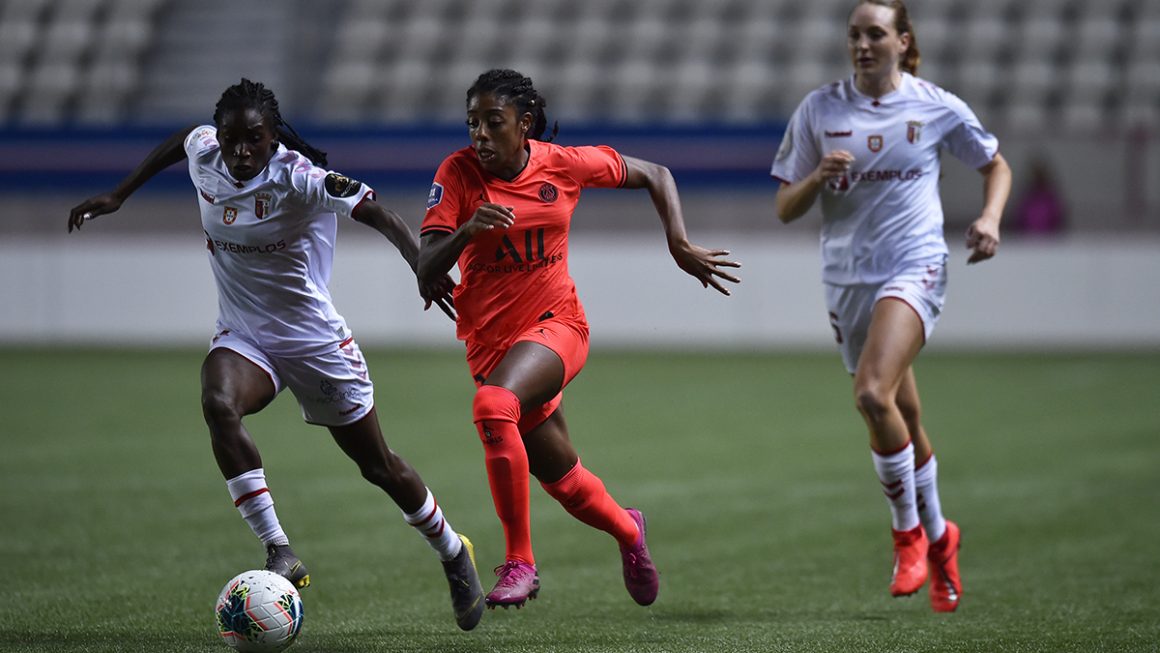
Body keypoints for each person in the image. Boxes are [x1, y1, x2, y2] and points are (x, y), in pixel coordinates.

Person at [67, 79, 485, 631]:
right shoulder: (206, 152)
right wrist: (121, 193)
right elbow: (181, 141)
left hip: (313, 341)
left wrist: (423, 267)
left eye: (254, 140)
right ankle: (279, 548)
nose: (241, 151)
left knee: (378, 466)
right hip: (244, 335)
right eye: (231, 139)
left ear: (272, 138)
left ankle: (454, 552)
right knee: (218, 402)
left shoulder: (299, 178)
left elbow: (378, 212)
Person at [417, 69, 741, 609]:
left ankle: (520, 562)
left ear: (524, 125)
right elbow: (427, 262)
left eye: (492, 123)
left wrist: (678, 243)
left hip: (558, 325)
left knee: (493, 406)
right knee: (564, 482)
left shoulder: (562, 165)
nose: (478, 134)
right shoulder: (457, 174)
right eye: (472, 122)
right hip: (491, 347)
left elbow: (656, 174)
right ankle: (629, 531)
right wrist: (469, 230)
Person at [770, 1, 1011, 613]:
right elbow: (785, 208)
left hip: (915, 265)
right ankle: (942, 539)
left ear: (904, 41)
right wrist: (818, 177)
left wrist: (988, 217)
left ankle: (907, 537)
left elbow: (995, 164)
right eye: (854, 34)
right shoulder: (819, 110)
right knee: (901, 413)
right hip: (847, 277)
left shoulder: (934, 104)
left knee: (874, 395)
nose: (862, 44)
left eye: (875, 33)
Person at [1011, 157, 1066, 236]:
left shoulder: (1050, 198)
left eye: (1039, 175)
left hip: (1049, 241)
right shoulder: (1026, 197)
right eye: (1035, 175)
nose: (1037, 178)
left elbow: (1058, 219)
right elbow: (1018, 219)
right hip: (1026, 241)